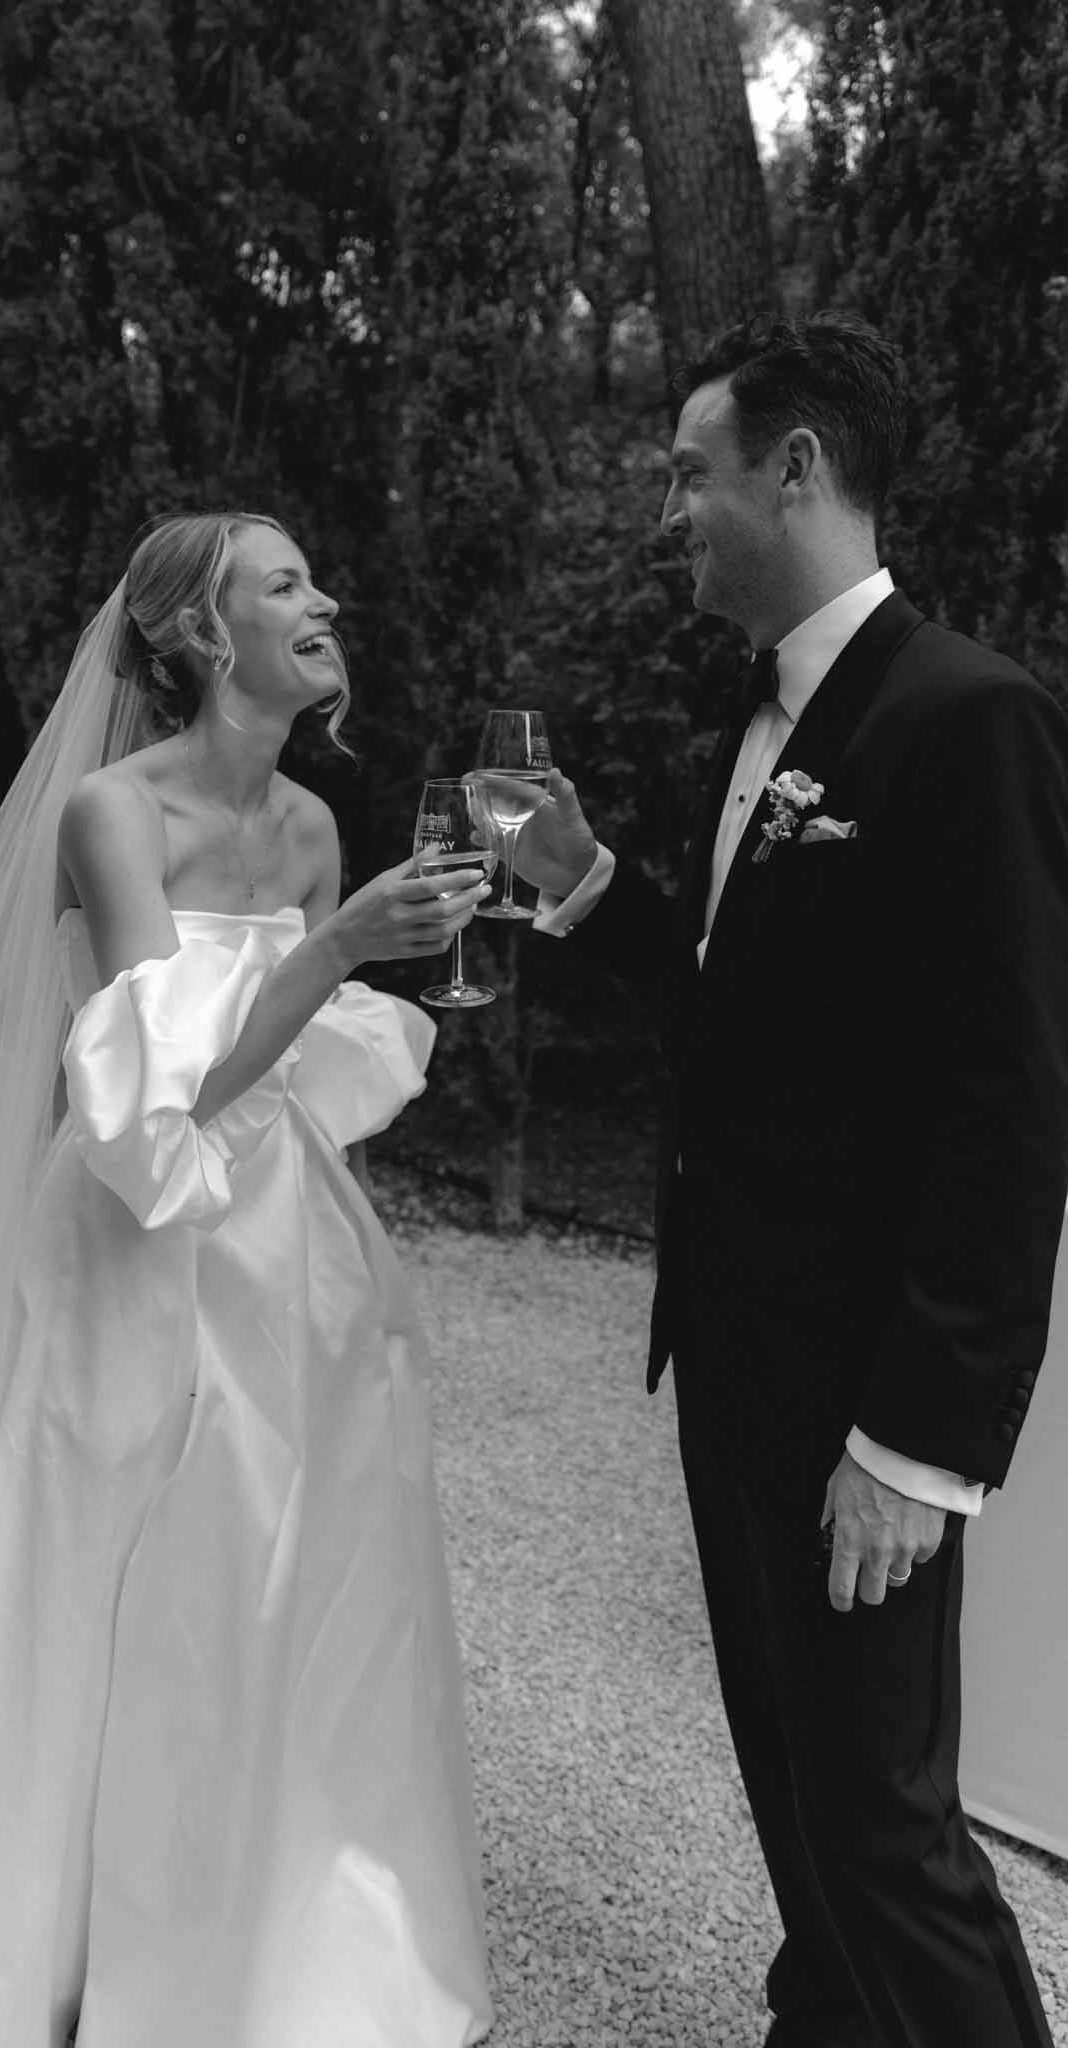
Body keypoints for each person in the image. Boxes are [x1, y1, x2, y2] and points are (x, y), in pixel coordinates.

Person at [0, 512, 495, 2046]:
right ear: (203, 638)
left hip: (287, 1237)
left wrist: (350, 946)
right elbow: (157, 1093)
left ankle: (268, 1947)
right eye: (284, 584)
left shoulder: (320, 824)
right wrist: (334, 951)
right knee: (91, 1568)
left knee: (284, 1568)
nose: (324, 600)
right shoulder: (108, 815)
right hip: (129, 1234)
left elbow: (298, 1079)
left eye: (313, 580)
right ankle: (30, 1945)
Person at [505, 313, 1068, 2047]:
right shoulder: (748, 717)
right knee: (793, 1778)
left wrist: (918, 1444)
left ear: (795, 471)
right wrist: (590, 884)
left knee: (885, 1816)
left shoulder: (966, 717)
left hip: (859, 1389)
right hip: (737, 1354)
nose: (667, 511)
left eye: (689, 473)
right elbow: (747, 1030)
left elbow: (1008, 1105)